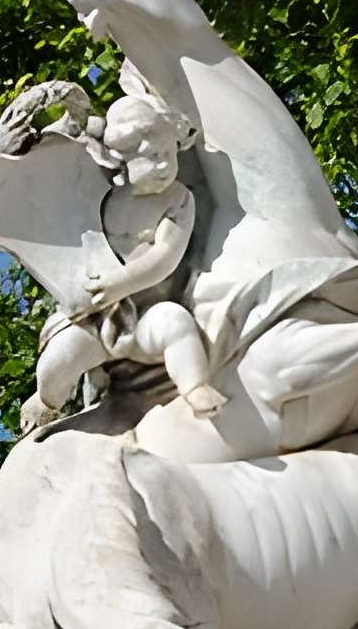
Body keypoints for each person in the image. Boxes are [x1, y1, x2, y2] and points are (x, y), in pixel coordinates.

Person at [21, 92, 227, 430]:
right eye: (152, 156)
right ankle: (46, 401)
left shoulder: (177, 199)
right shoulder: (105, 196)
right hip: (94, 317)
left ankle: (196, 388)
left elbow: (165, 257)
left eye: (168, 154)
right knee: (56, 363)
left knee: (176, 324)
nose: (163, 165)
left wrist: (119, 284)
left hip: (144, 314)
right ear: (125, 159)